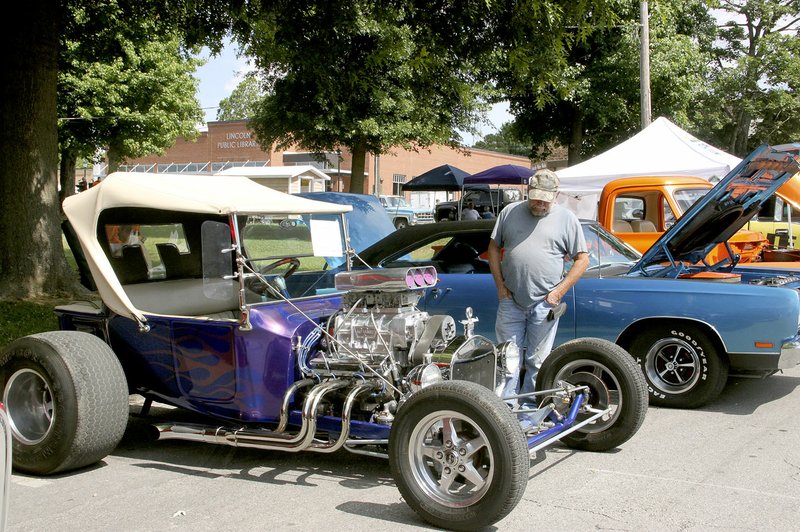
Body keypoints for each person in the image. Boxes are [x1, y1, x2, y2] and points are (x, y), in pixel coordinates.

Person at [488, 169, 589, 408]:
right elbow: (493, 248)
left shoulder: (567, 219)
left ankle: (530, 408)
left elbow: (582, 259)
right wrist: (500, 287)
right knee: (507, 357)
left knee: (538, 360)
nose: (539, 203)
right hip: (510, 299)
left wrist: (557, 293)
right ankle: (506, 409)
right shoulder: (509, 212)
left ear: (555, 195)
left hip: (545, 302)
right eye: (535, 197)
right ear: (528, 192)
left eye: (545, 198)